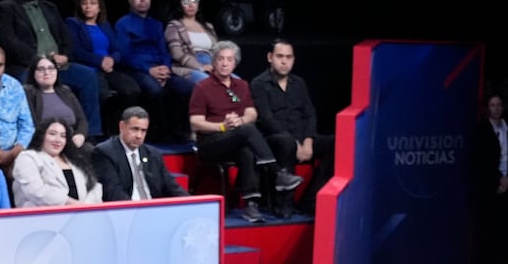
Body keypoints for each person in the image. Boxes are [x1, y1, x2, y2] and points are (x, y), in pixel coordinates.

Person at [189, 41, 300, 224]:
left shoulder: (241, 85)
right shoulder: (203, 87)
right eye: (221, 59)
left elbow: (252, 113)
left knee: (247, 149)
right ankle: (277, 173)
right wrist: (223, 126)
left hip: (235, 139)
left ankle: (251, 205)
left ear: (235, 63)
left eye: (229, 60)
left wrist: (240, 121)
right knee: (248, 132)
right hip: (209, 143)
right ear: (214, 62)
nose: (225, 63)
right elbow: (195, 123)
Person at [0, 0, 101, 137]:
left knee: (88, 77)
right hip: (26, 66)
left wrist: (65, 55)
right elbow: (8, 42)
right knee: (22, 84)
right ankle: (33, 137)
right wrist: (39, 60)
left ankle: (90, 134)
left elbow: (65, 36)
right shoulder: (4, 8)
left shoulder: (50, 7)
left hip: (58, 66)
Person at [250, 39, 333, 214]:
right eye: (280, 56)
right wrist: (296, 144)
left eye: (289, 57)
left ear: (293, 60)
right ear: (270, 57)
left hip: (303, 137)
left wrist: (308, 141)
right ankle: (284, 204)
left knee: (336, 143)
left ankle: (311, 200)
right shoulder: (259, 83)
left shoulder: (299, 83)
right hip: (274, 139)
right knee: (285, 142)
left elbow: (310, 114)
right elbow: (266, 119)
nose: (284, 61)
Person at [113, 0, 194, 139]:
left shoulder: (156, 24)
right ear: (130, 0)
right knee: (154, 89)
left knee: (187, 88)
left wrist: (165, 68)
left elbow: (164, 51)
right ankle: (158, 131)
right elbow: (125, 54)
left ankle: (178, 129)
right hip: (137, 69)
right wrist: (149, 70)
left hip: (160, 68)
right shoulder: (123, 24)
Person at [470, 92, 508, 264]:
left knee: (500, 229)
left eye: (499, 104)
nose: (496, 108)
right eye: (493, 105)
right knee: (484, 229)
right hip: (487, 186)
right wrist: (498, 180)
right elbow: (480, 161)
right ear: (487, 108)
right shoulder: (481, 130)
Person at [64, 0, 139, 113]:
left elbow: (117, 50)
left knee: (132, 90)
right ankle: (100, 130)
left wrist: (111, 60)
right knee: (102, 93)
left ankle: (117, 127)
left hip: (108, 68)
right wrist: (100, 61)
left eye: (92, 3)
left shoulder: (105, 25)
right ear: (79, 6)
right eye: (84, 3)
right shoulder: (73, 23)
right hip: (89, 69)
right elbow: (76, 51)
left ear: (99, 8)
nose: (88, 6)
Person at [92, 106, 187, 202]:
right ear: (122, 126)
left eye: (143, 130)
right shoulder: (105, 153)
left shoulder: (152, 154)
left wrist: (192, 204)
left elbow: (171, 186)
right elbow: (113, 192)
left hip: (154, 208)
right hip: (126, 211)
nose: (139, 136)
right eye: (135, 129)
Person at [11, 119, 100, 208]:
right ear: (42, 136)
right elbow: (35, 191)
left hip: (81, 215)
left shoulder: (74, 160)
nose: (58, 140)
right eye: (52, 134)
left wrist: (87, 207)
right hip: (42, 217)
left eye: (63, 136)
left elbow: (93, 188)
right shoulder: (28, 157)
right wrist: (71, 204)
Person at [21, 55, 87, 151]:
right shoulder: (28, 93)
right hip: (45, 144)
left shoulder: (65, 91)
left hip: (71, 141)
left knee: (91, 151)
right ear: (33, 73)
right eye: (41, 69)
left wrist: (80, 135)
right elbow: (31, 126)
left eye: (51, 68)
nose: (46, 72)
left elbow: (82, 119)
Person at [164, 0, 216, 85]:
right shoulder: (173, 26)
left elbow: (217, 50)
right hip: (190, 65)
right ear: (180, 5)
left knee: (236, 84)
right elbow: (177, 54)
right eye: (186, 2)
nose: (191, 5)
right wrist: (200, 67)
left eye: (194, 1)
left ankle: (234, 100)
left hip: (212, 63)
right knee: (211, 85)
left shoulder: (208, 26)